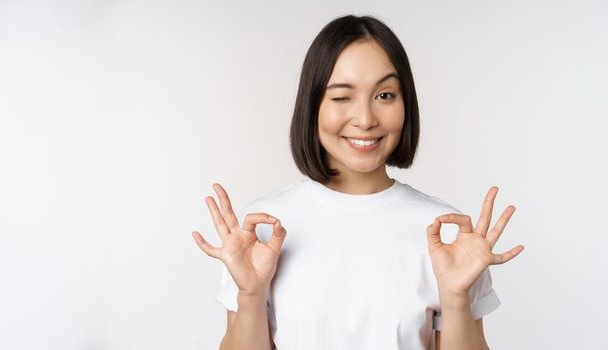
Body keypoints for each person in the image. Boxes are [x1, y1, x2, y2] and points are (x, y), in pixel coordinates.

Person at [191, 14, 524, 350]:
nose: (365, 119)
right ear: (313, 106)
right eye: (341, 97)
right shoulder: (260, 230)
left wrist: (456, 300)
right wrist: (250, 295)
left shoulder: (448, 235)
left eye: (385, 95)